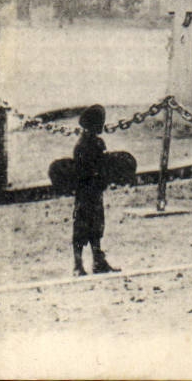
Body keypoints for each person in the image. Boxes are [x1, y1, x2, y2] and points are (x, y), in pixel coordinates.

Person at [71, 105, 118, 275]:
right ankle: (78, 265)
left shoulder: (96, 143)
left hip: (94, 191)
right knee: (82, 227)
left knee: (96, 226)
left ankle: (98, 261)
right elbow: (82, 170)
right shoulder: (83, 146)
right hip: (85, 192)